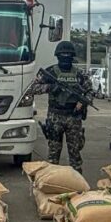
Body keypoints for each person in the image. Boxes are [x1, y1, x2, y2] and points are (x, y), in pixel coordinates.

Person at [27, 40, 95, 172]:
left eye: (68, 54)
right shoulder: (50, 72)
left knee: (75, 155)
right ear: (58, 55)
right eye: (63, 54)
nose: (65, 57)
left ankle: (77, 183)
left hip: (74, 117)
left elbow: (90, 92)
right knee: (53, 154)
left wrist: (84, 101)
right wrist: (51, 87)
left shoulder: (79, 74)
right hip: (55, 116)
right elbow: (33, 88)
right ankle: (53, 182)